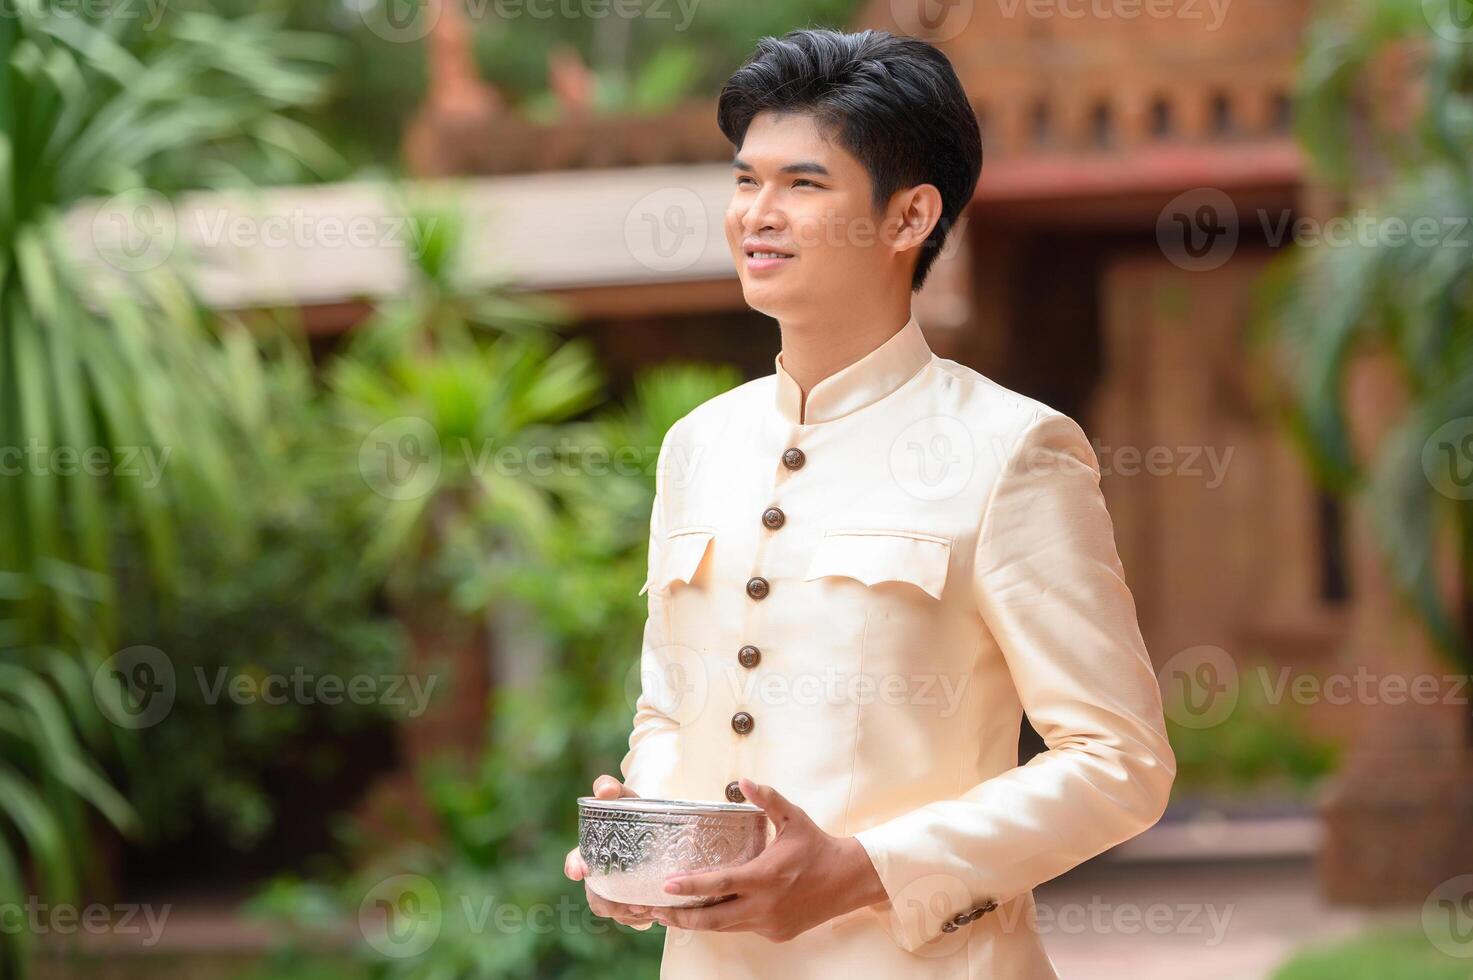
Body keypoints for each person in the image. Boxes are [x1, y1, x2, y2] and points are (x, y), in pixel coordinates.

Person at [564, 27, 1176, 979]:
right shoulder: (699, 447)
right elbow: (670, 711)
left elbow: (1118, 763)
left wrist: (862, 870)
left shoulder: (1012, 449)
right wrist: (648, 839)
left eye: (802, 184)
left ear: (908, 217)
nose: (756, 214)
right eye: (743, 181)